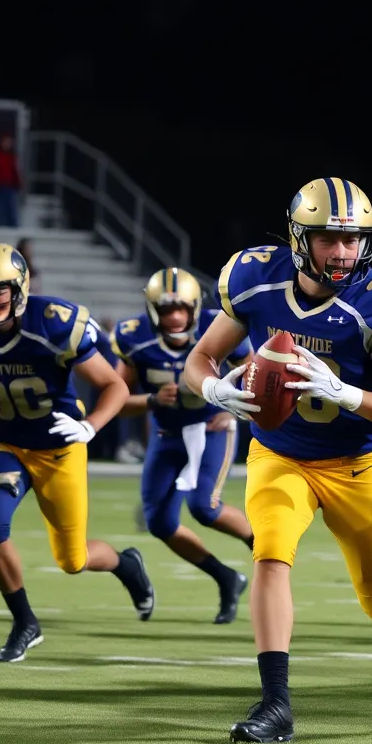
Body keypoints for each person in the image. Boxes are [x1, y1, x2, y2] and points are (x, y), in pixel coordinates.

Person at [184, 177, 372, 744]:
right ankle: (276, 703)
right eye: (328, 239)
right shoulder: (255, 279)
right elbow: (201, 357)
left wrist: (347, 394)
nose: (343, 252)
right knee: (270, 554)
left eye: (353, 240)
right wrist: (213, 391)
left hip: (355, 462)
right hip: (280, 455)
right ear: (301, 238)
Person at [0, 241, 155, 662]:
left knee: (73, 559)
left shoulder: (53, 323)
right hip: (1, 441)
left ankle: (126, 564)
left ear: (20, 287)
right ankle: (24, 621)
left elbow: (115, 385)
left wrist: (89, 426)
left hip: (58, 447)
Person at [113, 267, 254, 624]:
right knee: (159, 522)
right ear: (151, 309)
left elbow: (254, 370)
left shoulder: (218, 326)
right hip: (167, 435)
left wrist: (234, 409)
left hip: (211, 429)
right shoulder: (135, 337)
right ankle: (226, 577)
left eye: (181, 309)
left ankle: (264, 545)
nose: (174, 317)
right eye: (165, 309)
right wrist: (150, 400)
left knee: (204, 507)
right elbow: (115, 396)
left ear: (195, 307)